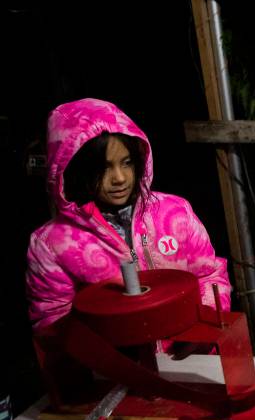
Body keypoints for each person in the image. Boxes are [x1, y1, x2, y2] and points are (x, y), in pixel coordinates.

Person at [26, 98, 231, 331]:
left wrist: (202, 328)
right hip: (115, 364)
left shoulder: (175, 213)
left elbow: (209, 277)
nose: (120, 178)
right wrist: (110, 354)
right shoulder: (52, 243)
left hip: (191, 357)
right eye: (104, 168)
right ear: (76, 169)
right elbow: (53, 318)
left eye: (126, 163)